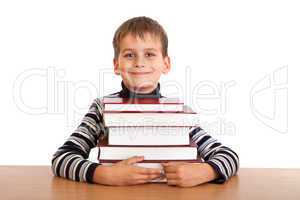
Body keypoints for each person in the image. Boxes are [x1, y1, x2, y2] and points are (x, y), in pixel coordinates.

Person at [51, 16, 239, 187]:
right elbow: (62, 158)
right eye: (129, 55)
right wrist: (105, 175)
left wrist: (206, 171)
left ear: (166, 64)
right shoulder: (102, 109)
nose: (139, 63)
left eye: (149, 54)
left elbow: (229, 156)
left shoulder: (179, 113)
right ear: (116, 65)